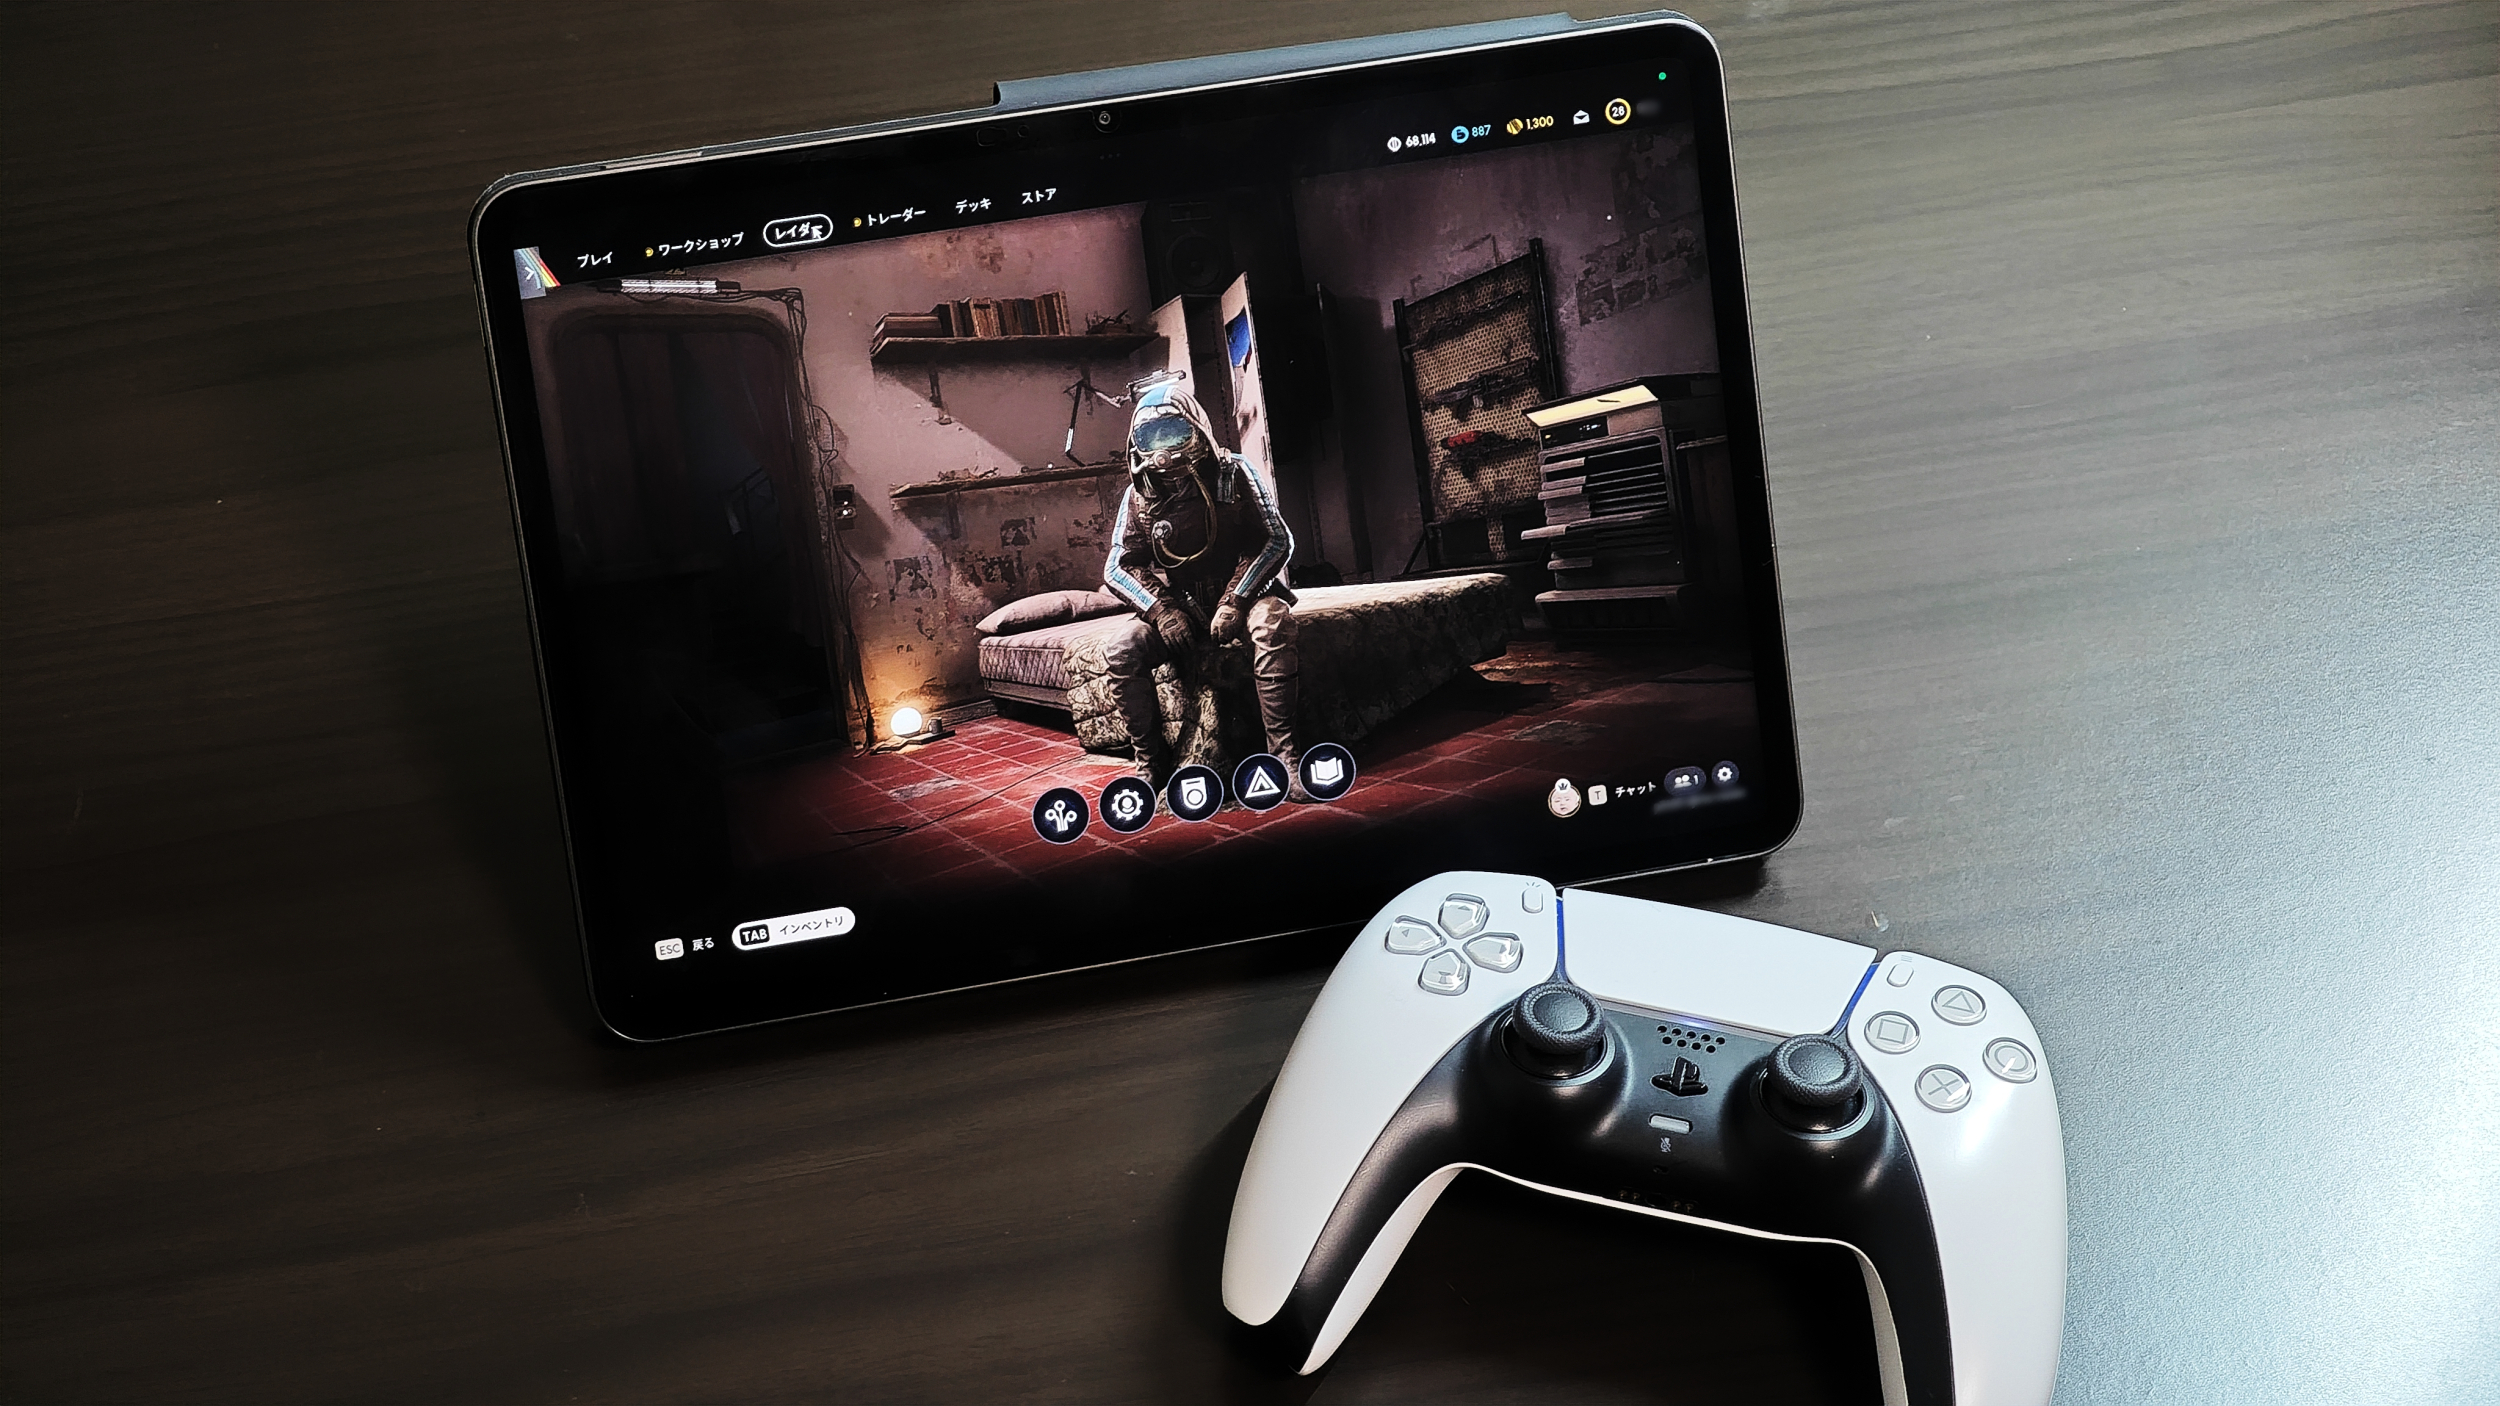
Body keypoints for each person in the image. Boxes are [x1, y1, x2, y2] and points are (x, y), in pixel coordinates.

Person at [1101, 378, 1299, 792]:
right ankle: (1151, 763)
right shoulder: (1138, 496)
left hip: (1247, 596)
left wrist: (1235, 600)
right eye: (1151, 437)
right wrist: (1162, 612)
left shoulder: (1234, 473)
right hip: (1184, 606)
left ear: (1196, 429)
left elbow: (1276, 539)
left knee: (1271, 625)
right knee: (1121, 648)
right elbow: (1119, 567)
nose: (1163, 448)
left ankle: (1285, 754)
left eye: (1173, 432)